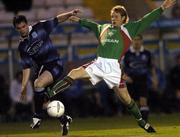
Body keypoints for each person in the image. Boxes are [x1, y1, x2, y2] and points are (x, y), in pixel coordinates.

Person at [46, 0, 175, 133]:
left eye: (116, 17)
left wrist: (162, 8)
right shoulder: (104, 28)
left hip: (114, 68)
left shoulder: (129, 29)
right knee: (74, 72)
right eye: (112, 16)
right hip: (99, 63)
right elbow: (92, 25)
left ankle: (141, 121)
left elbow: (146, 20)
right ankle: (50, 93)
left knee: (126, 99)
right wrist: (79, 20)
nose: (113, 19)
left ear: (123, 18)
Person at [13, 9, 80, 136]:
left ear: (27, 24)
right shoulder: (22, 47)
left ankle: (37, 117)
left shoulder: (40, 28)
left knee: (38, 84)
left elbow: (57, 20)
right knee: (45, 104)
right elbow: (26, 67)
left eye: (23, 26)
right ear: (16, 29)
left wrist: (70, 13)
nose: (22, 29)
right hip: (43, 70)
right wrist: (23, 86)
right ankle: (64, 119)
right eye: (19, 28)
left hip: (54, 64)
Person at [122, 34, 151, 121]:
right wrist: (124, 76)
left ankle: (145, 123)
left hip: (143, 79)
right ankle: (139, 120)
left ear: (141, 41)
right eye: (135, 39)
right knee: (134, 103)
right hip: (131, 80)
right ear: (132, 41)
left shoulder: (147, 53)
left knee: (143, 101)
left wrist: (154, 78)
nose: (137, 42)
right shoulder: (126, 54)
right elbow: (120, 67)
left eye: (138, 40)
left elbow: (150, 67)